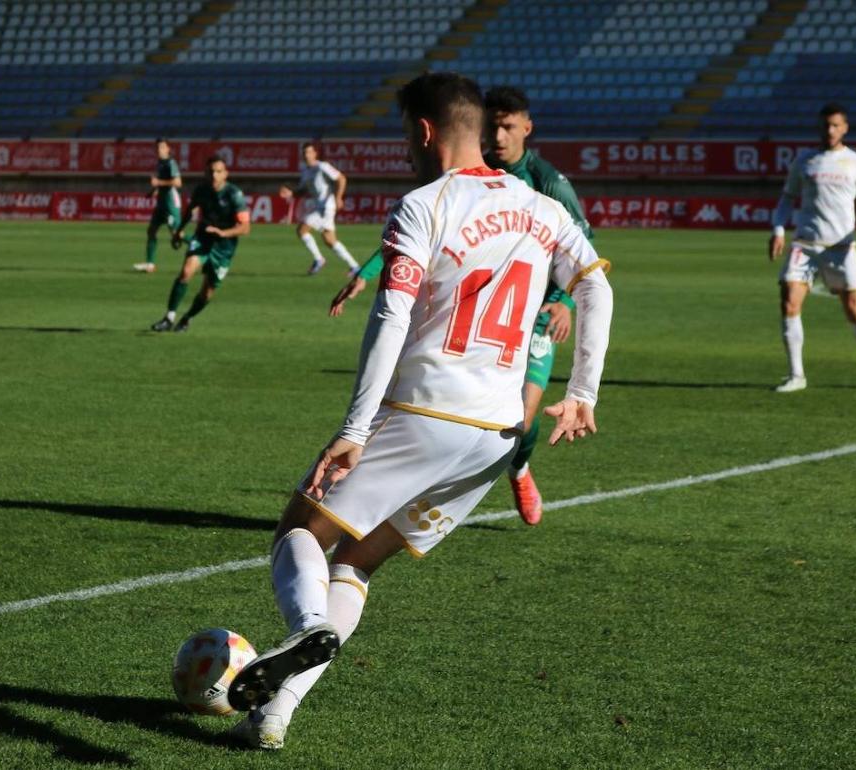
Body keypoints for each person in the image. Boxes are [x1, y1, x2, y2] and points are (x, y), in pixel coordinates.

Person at [226, 72, 613, 750]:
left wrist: (354, 430)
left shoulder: (422, 205)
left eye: (407, 136)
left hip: (425, 410)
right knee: (356, 564)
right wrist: (582, 393)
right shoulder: (544, 209)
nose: (406, 149)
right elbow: (596, 289)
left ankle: (308, 626)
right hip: (497, 434)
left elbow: (391, 315)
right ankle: (274, 715)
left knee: (299, 532)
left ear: (426, 132)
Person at [329, 86, 596, 526]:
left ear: (527, 128)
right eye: (493, 126)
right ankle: (400, 508)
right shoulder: (474, 176)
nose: (499, 136)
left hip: (535, 314)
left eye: (508, 127)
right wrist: (366, 272)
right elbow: (420, 237)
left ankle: (519, 468)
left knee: (523, 416)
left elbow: (582, 250)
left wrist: (565, 301)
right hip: (475, 311)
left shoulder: (548, 183)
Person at [769, 103, 856, 393]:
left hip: (841, 247)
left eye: (835, 125)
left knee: (854, 309)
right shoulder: (805, 160)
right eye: (825, 125)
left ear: (845, 128)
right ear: (818, 127)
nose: (829, 130)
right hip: (805, 244)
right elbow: (787, 198)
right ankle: (796, 375)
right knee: (789, 303)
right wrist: (778, 230)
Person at [149, 156, 249, 332]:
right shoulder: (201, 190)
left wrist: (223, 233)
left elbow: (245, 227)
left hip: (224, 248)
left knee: (207, 291)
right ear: (205, 173)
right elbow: (189, 211)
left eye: (218, 171)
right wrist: (179, 231)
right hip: (203, 238)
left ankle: (187, 318)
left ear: (225, 174)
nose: (214, 175)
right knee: (186, 272)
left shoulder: (234, 194)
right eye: (211, 171)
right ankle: (169, 318)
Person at [279, 142, 360, 275]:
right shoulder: (305, 171)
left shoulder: (322, 166)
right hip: (320, 207)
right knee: (330, 240)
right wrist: (291, 193)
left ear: (315, 154)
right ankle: (355, 267)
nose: (306, 155)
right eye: (304, 153)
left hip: (326, 207)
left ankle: (319, 259)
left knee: (302, 230)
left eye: (309, 152)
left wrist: (338, 197)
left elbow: (341, 179)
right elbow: (303, 190)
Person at [134, 138, 183, 273]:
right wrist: (153, 191)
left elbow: (178, 182)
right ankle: (150, 264)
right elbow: (161, 182)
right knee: (151, 230)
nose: (159, 150)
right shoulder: (160, 164)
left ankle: (205, 248)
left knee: (177, 235)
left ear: (168, 149)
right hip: (161, 203)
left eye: (162, 147)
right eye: (157, 148)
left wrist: (158, 183)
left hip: (171, 203)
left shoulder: (171, 163)